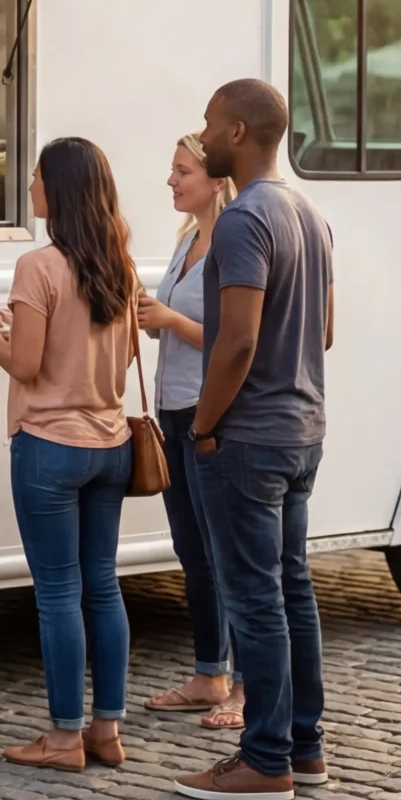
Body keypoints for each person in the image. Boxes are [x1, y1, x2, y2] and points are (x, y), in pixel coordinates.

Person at [172, 79, 334, 800]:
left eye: (209, 121)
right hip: (303, 428)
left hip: (248, 436)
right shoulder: (310, 213)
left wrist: (204, 426)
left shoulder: (242, 221)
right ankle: (304, 746)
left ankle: (264, 756)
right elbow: (324, 331)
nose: (201, 132)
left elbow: (234, 343)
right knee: (292, 589)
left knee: (256, 597)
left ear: (237, 130)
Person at [0, 136, 138, 772]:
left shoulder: (37, 268)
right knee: (102, 584)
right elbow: (116, 358)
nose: (30, 186)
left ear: (56, 191)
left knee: (58, 592)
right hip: (111, 445)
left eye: (36, 177)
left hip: (50, 448)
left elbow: (29, 365)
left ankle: (63, 739)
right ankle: (107, 730)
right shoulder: (119, 261)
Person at [136, 131, 243, 730]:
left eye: (181, 171)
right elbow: (173, 326)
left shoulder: (231, 243)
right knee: (192, 551)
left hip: (211, 411)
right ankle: (210, 673)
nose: (172, 181)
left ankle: (243, 685)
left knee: (226, 552)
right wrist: (149, 314)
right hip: (174, 408)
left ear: (214, 180)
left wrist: (170, 318)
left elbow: (235, 340)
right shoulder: (186, 243)